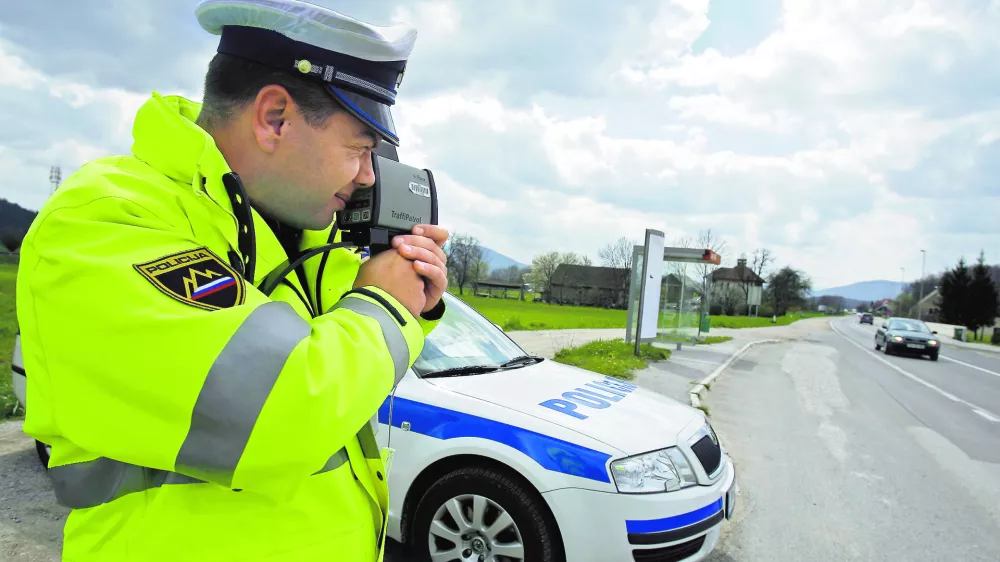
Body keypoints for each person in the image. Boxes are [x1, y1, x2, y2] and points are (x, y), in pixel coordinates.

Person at [14, 0, 448, 560]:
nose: (368, 175)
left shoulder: (308, 234)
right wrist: (386, 304)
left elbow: (352, 355)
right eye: (361, 150)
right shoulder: (105, 219)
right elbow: (283, 413)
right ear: (275, 118)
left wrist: (417, 298)